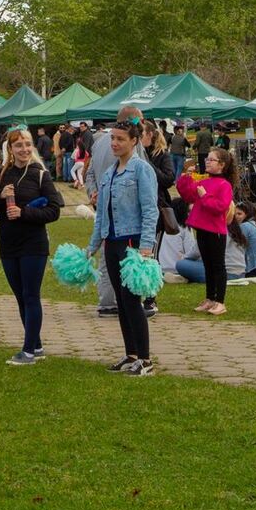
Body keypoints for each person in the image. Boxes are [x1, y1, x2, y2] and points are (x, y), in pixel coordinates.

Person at [0, 129, 62, 366]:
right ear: (10, 148)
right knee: (20, 296)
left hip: (33, 243)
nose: (24, 150)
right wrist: (0, 196)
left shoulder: (41, 175)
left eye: (27, 145)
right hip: (8, 242)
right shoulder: (0, 173)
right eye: (19, 146)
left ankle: (27, 352)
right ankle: (35, 346)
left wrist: (24, 212)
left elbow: (54, 210)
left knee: (30, 295)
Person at [88, 120, 158, 376]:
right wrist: (92, 247)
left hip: (133, 242)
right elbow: (101, 216)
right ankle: (131, 354)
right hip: (112, 242)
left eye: (120, 139)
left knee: (132, 301)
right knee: (121, 302)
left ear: (134, 141)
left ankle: (146, 359)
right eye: (113, 139)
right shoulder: (109, 173)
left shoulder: (141, 169)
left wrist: (146, 247)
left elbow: (150, 210)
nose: (115, 143)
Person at [85, 106, 145, 318]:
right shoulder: (128, 146)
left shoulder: (100, 140)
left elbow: (90, 172)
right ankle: (127, 302)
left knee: (106, 257)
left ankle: (107, 302)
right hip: (125, 214)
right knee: (128, 260)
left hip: (105, 207)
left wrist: (93, 192)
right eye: (141, 121)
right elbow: (143, 183)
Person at [176, 147, 237, 316]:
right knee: (207, 266)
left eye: (212, 160)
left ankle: (220, 301)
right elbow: (188, 195)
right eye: (207, 159)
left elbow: (220, 207)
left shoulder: (224, 185)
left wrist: (204, 196)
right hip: (202, 228)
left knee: (218, 266)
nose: (207, 162)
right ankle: (210, 298)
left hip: (216, 231)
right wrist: (186, 177)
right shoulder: (204, 181)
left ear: (222, 165)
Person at [141, 120, 174, 317]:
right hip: (137, 213)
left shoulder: (162, 156)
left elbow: (168, 179)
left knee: (151, 256)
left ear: (151, 135)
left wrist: (147, 163)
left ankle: (150, 299)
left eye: (142, 133)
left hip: (156, 211)